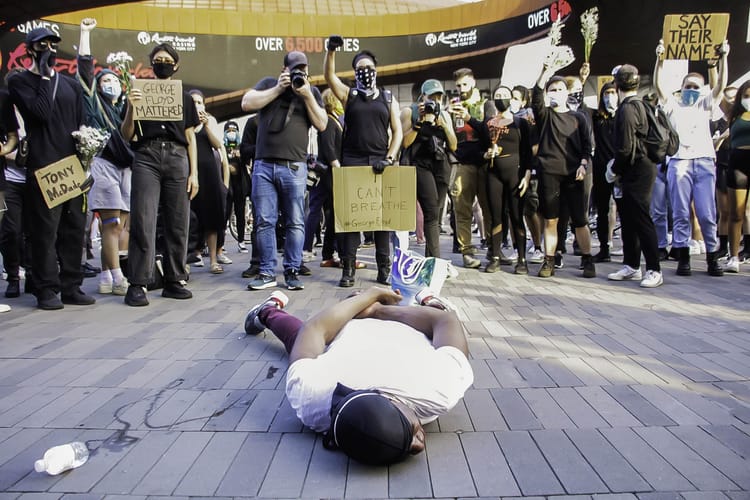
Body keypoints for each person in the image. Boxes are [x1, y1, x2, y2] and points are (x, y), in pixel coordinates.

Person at [243, 286, 473, 465]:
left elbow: (314, 328)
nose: (420, 444)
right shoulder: (440, 388)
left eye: (412, 432)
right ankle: (430, 303)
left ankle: (267, 311)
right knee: (445, 320)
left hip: (357, 326)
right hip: (406, 326)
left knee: (301, 339)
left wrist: (371, 303)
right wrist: (376, 309)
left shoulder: (312, 398)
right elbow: (445, 321)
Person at [8, 27, 95, 310]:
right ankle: (46, 288)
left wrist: (86, 160)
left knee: (74, 228)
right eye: (42, 44)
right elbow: (41, 112)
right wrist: (44, 76)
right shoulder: (20, 82)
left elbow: (81, 123)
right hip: (44, 167)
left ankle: (72, 285)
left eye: (52, 44)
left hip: (72, 166)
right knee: (45, 231)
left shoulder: (69, 85)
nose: (49, 49)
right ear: (30, 49)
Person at [120, 42, 200, 306]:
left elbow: (190, 136)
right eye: (158, 59)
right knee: (143, 219)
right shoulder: (138, 93)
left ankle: (175, 278)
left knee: (178, 220)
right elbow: (126, 135)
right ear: (152, 64)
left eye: (167, 59)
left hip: (178, 157)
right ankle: (138, 282)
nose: (162, 62)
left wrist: (194, 173)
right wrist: (132, 106)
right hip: (146, 156)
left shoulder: (186, 97)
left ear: (175, 65)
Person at [241, 50, 326, 291]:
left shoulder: (312, 91)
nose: (300, 72)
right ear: (284, 69)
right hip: (264, 166)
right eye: (294, 68)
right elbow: (247, 102)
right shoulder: (269, 83)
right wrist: (278, 88)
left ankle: (292, 270)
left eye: (303, 68)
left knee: (296, 221)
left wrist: (307, 94)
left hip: (294, 167)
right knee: (264, 221)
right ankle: (267, 272)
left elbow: (322, 124)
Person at [324, 39, 402, 287]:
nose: (364, 71)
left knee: (382, 220)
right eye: (359, 68)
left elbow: (397, 131)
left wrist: (389, 158)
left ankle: (384, 269)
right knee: (349, 221)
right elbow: (329, 76)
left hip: (380, 162)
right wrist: (331, 50)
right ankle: (348, 269)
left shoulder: (389, 98)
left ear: (376, 70)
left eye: (368, 66)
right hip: (352, 162)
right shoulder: (349, 95)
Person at [653, 38, 729, 277]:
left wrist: (723, 58)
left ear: (702, 89)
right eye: (688, 86)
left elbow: (721, 87)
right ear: (681, 87)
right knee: (680, 212)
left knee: (707, 214)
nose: (692, 90)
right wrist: (660, 59)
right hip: (679, 161)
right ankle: (683, 257)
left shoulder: (705, 104)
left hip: (704, 162)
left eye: (696, 87)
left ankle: (712, 257)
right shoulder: (673, 105)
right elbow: (658, 86)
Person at [77, 18, 133, 296]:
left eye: (114, 79)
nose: (110, 83)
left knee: (120, 224)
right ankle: (116, 275)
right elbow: (85, 71)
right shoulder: (93, 106)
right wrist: (85, 34)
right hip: (104, 166)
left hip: (125, 169)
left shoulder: (122, 109)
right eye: (105, 80)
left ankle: (106, 274)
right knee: (110, 224)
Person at [531, 62, 595, 278]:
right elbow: (536, 97)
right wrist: (544, 74)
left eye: (560, 89)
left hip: (574, 174)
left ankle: (587, 259)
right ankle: (549, 260)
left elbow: (587, 148)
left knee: (580, 220)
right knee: (551, 219)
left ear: (568, 92)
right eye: (552, 89)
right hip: (549, 173)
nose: (556, 93)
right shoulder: (545, 115)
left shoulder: (579, 118)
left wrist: (583, 166)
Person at [606, 64, 663, 288]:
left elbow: (626, 147)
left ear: (617, 84)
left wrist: (613, 170)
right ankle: (632, 265)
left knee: (640, 218)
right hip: (637, 167)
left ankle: (654, 269)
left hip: (637, 168)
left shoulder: (628, 108)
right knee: (629, 219)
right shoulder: (640, 105)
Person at [400, 79, 457, 259]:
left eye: (438, 97)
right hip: (420, 165)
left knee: (436, 214)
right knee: (431, 211)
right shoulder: (411, 112)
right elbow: (405, 142)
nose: (435, 101)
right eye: (431, 96)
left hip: (440, 165)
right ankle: (434, 260)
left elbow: (454, 145)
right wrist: (420, 123)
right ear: (422, 97)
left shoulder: (444, 115)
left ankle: (432, 258)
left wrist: (443, 125)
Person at [483, 85, 533, 274]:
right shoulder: (488, 123)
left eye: (505, 95)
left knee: (516, 216)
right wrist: (486, 154)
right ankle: (495, 256)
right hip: (493, 173)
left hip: (516, 174)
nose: (501, 98)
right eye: (498, 95)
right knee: (496, 217)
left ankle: (522, 259)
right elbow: (481, 147)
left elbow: (528, 153)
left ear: (511, 99)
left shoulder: (521, 123)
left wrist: (527, 176)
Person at [447, 68, 490, 269]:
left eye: (465, 84)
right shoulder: (453, 106)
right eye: (458, 85)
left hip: (485, 163)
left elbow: (489, 132)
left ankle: (493, 249)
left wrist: (469, 118)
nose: (462, 89)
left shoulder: (484, 105)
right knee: (462, 210)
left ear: (473, 82)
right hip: (462, 164)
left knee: (489, 209)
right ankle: (467, 252)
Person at [188, 89, 230, 274]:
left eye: (200, 102)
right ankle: (188, 257)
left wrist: (205, 126)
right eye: (193, 102)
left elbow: (217, 145)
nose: (197, 105)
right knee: (189, 218)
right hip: (189, 173)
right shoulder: (184, 121)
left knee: (212, 218)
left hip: (209, 174)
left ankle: (213, 259)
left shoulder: (210, 121)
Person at [304, 89, 342, 270]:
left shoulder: (331, 120)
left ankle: (323, 250)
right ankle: (308, 248)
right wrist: (337, 166)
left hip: (326, 173)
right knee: (318, 210)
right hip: (329, 173)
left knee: (325, 211)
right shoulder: (329, 120)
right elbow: (328, 148)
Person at [724, 80, 750, 273]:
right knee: (735, 214)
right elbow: (717, 91)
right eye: (746, 96)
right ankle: (733, 256)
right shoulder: (734, 114)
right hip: (737, 164)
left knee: (748, 212)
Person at [591, 82, 618, 262]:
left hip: (621, 166)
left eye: (613, 92)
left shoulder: (624, 115)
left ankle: (629, 249)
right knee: (602, 209)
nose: (610, 96)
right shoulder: (597, 117)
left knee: (625, 208)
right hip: (601, 166)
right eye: (607, 93)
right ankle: (603, 247)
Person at [0, 78, 20, 301]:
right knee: (11, 231)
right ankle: (13, 276)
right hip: (11, 179)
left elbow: (13, 137)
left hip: (33, 178)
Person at [224, 120, 250, 254]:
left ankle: (241, 241)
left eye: (234, 131)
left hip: (240, 184)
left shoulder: (242, 147)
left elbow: (248, 162)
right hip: (227, 184)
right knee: (225, 212)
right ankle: (220, 244)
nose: (232, 133)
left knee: (240, 214)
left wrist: (242, 156)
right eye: (229, 131)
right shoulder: (222, 147)